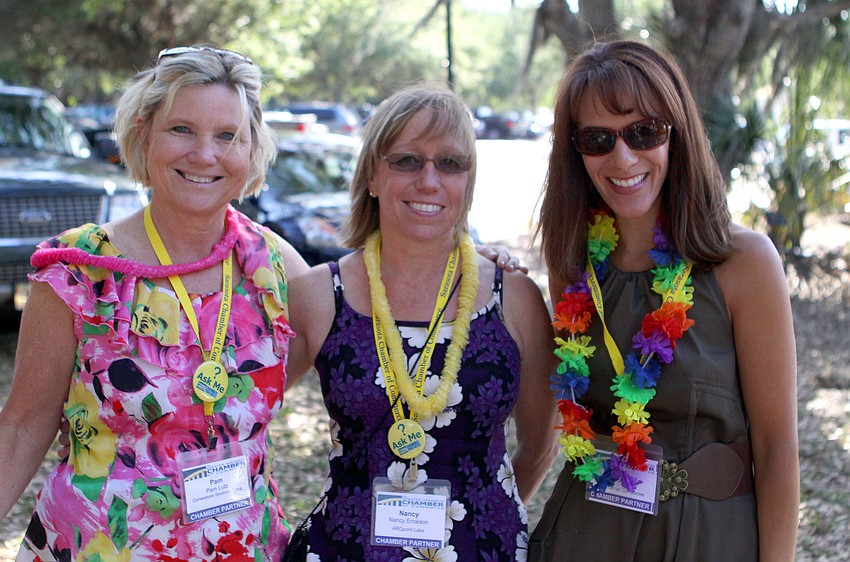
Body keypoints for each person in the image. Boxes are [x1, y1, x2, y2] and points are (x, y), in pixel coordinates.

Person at [0, 45, 312, 560]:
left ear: (252, 149)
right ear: (144, 135)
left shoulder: (273, 266)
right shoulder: (81, 268)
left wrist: (478, 265)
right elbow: (23, 425)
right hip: (100, 547)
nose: (205, 154)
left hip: (240, 547)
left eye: (228, 136)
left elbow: (368, 317)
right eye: (182, 129)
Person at [528, 40, 799, 561]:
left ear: (677, 134)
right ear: (575, 150)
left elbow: (776, 447)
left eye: (643, 132)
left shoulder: (743, 262)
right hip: (586, 534)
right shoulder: (574, 264)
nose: (622, 157)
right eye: (598, 138)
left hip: (706, 539)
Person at [285, 83, 560, 560]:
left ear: (467, 182)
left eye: (450, 163)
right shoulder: (316, 295)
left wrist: (487, 512)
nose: (429, 181)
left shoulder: (514, 298)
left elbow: (540, 444)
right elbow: (239, 419)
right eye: (407, 160)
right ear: (372, 174)